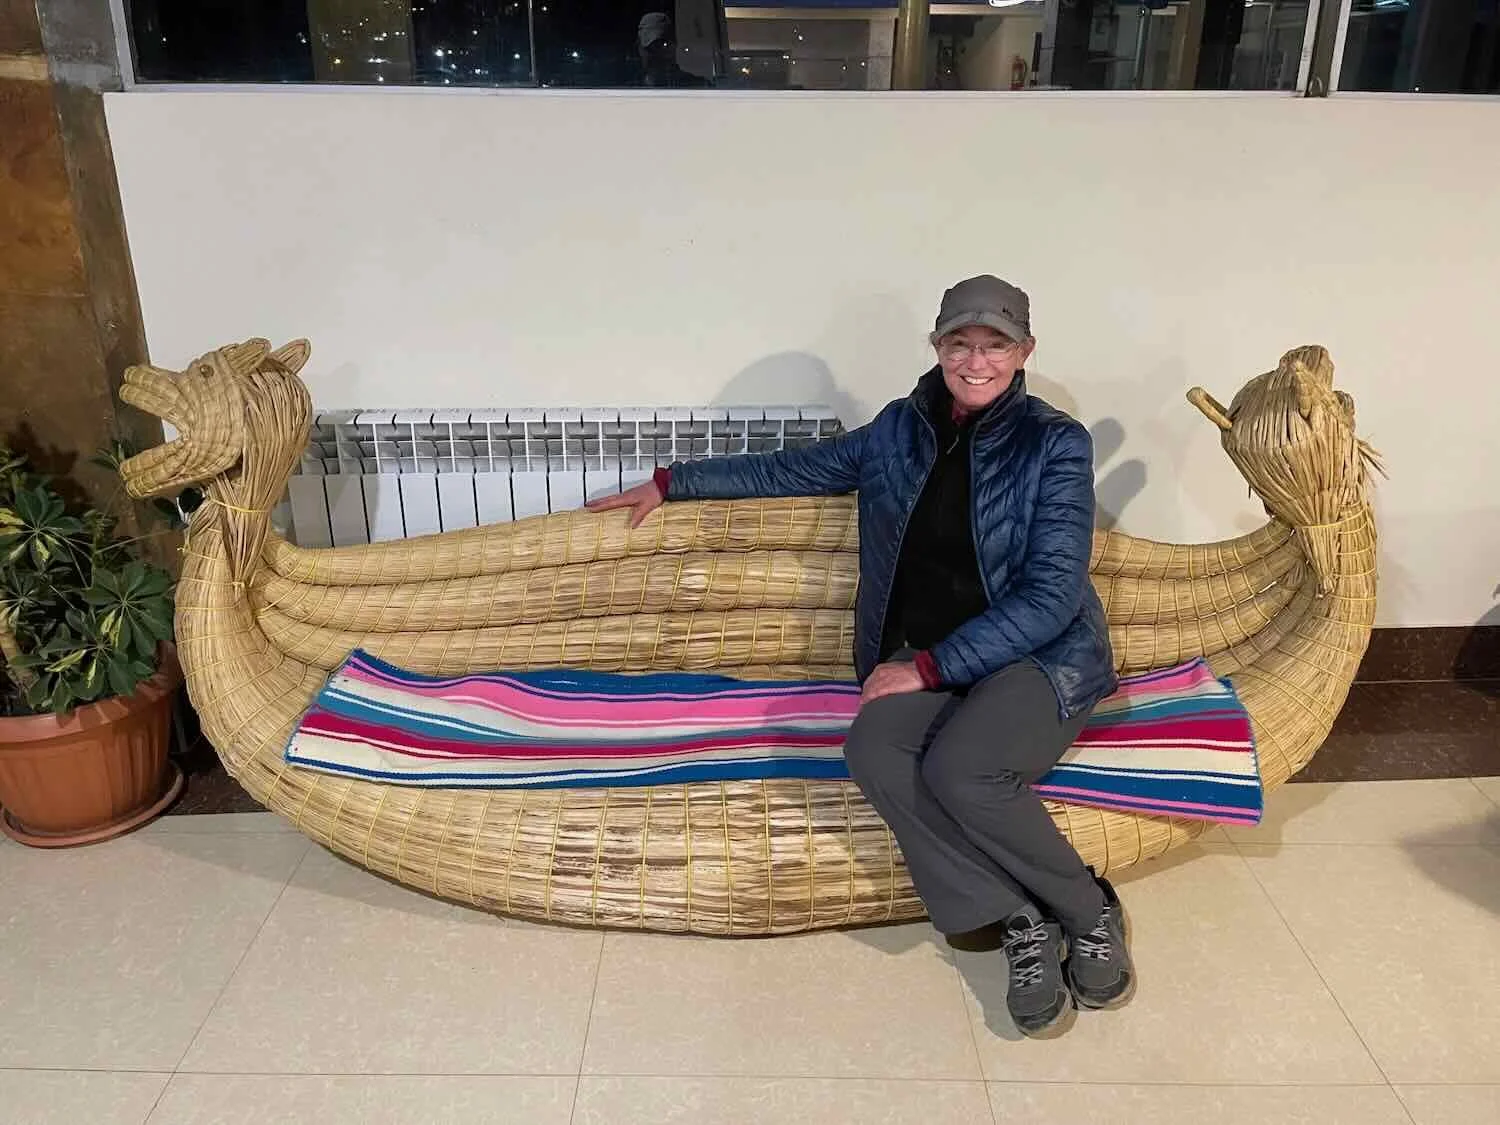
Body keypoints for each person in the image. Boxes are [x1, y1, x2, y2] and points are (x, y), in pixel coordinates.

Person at [587, 276, 1134, 1037]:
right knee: (873, 746)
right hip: (932, 655)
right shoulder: (896, 431)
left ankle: (1088, 909)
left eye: (995, 344)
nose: (976, 360)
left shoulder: (1056, 443)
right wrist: (672, 481)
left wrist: (928, 668)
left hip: (1037, 657)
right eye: (960, 342)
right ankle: (1017, 917)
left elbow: (1048, 598)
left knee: (962, 768)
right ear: (937, 347)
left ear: (1025, 352)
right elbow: (790, 469)